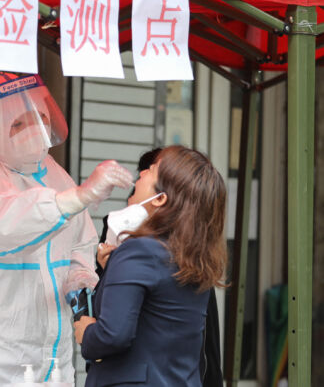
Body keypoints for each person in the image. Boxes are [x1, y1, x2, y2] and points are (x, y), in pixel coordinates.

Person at [0, 72, 133, 386]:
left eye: (39, 117)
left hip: (51, 362)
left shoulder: (57, 176)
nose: (34, 131)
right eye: (18, 124)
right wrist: (78, 197)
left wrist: (80, 290)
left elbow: (79, 249)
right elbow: (8, 223)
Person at [74, 145, 227, 387]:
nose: (141, 173)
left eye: (152, 171)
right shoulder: (191, 256)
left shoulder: (139, 250)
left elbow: (112, 336)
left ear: (161, 198)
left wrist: (86, 332)